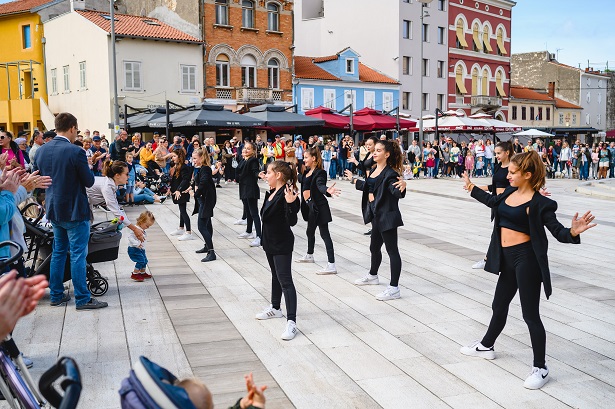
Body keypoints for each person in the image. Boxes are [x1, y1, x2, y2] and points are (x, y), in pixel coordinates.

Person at [461, 150, 596, 389]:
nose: (508, 176)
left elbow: (558, 232)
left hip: (527, 261)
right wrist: (471, 188)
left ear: (528, 174)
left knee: (530, 314)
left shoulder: (540, 203)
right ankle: (486, 345)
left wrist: (573, 231)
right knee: (498, 306)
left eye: (513, 173)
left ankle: (540, 368)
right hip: (507, 260)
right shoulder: (510, 192)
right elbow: (493, 201)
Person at [34, 112, 108, 310]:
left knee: (59, 252)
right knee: (77, 254)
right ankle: (83, 298)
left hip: (54, 208)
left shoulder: (41, 151)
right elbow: (89, 182)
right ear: (73, 128)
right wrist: (89, 167)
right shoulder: (75, 151)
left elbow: (39, 179)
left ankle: (56, 294)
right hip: (75, 209)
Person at [347, 140, 407, 301]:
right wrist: (353, 180)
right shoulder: (374, 169)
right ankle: (373, 276)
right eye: (375, 150)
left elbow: (396, 192)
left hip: (386, 216)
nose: (374, 152)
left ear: (387, 154)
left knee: (392, 251)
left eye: (378, 151)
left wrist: (403, 185)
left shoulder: (391, 173)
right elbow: (369, 186)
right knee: (374, 247)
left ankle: (394, 288)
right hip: (375, 215)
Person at [255, 160, 300, 341]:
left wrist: (290, 204)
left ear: (278, 175)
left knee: (285, 280)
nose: (266, 176)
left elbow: (292, 221)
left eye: (268, 173)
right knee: (275, 275)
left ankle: (292, 322)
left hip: (282, 243)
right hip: (269, 242)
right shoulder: (272, 192)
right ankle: (275, 308)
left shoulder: (288, 193)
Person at [296, 147, 341, 274]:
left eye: (306, 157)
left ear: (314, 158)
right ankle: (309, 255)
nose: (303, 159)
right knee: (310, 231)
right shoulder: (307, 172)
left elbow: (320, 185)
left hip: (319, 207)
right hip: (310, 207)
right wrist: (294, 172)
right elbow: (302, 180)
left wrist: (327, 190)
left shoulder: (320, 173)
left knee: (324, 234)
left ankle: (331, 265)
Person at [472, 141, 514, 270]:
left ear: (507, 153)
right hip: (497, 203)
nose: (497, 156)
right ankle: (493, 259)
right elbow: (494, 186)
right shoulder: (497, 167)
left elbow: (520, 184)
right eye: (495, 153)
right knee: (498, 231)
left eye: (499, 153)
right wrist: (476, 188)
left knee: (499, 232)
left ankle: (488, 259)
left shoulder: (513, 168)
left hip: (509, 204)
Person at [87, 160, 146, 244]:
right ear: (117, 175)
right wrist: (134, 229)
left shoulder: (111, 184)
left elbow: (118, 209)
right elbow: (115, 210)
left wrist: (133, 226)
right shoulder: (107, 186)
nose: (128, 177)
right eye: (126, 174)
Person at [192, 148, 218, 262]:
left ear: (202, 158)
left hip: (206, 200)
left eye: (195, 158)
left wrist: (195, 193)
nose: (193, 161)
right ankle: (207, 247)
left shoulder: (205, 169)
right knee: (207, 224)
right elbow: (199, 181)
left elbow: (204, 183)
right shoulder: (202, 168)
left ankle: (211, 252)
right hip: (205, 199)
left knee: (201, 226)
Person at [236, 142, 263, 248]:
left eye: (248, 149)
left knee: (254, 212)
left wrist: (259, 174)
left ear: (253, 151)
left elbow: (255, 171)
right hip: (243, 188)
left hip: (250, 189)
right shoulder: (243, 160)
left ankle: (259, 237)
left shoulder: (253, 160)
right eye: (245, 148)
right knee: (247, 211)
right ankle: (248, 231)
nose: (246, 150)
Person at [169, 149, 195, 241]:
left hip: (182, 191)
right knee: (181, 209)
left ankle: (188, 232)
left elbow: (185, 179)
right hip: (178, 191)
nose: (172, 158)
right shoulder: (177, 166)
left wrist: (179, 190)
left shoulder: (183, 167)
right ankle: (181, 228)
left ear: (179, 157)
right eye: (172, 156)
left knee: (183, 211)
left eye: (174, 156)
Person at [127, 211, 155, 282]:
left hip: (141, 249)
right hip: (134, 248)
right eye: (147, 225)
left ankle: (142, 273)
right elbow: (130, 238)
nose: (148, 227)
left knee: (145, 261)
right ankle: (135, 274)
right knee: (141, 261)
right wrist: (137, 244)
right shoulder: (135, 229)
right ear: (141, 221)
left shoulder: (142, 229)